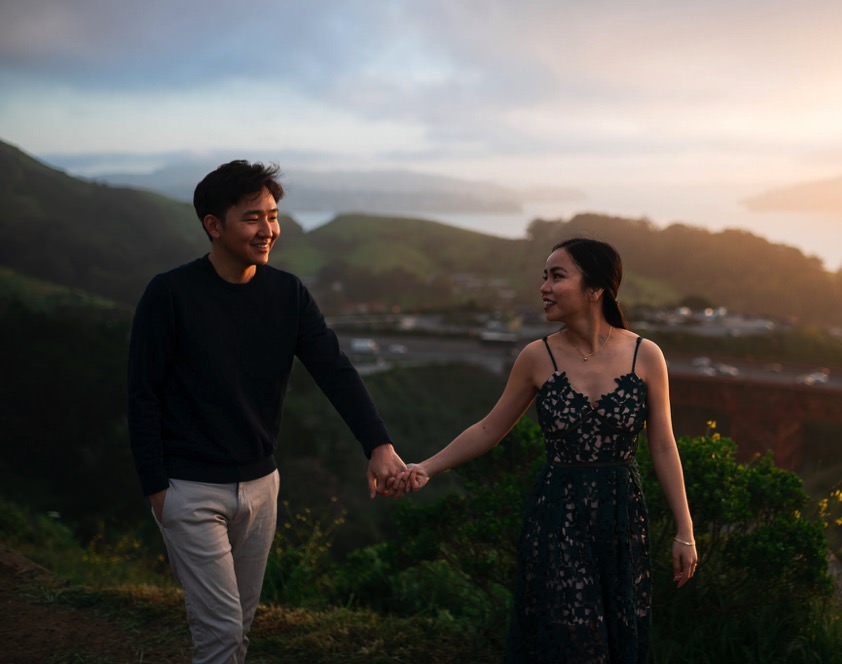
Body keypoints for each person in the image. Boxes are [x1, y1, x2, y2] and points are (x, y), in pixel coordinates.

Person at [127, 160, 412, 664]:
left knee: (239, 628)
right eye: (252, 218)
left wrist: (379, 445)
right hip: (190, 489)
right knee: (219, 636)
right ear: (213, 225)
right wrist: (158, 490)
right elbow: (142, 394)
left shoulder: (288, 294)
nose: (268, 230)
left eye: (273, 215)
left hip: (262, 485)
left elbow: (335, 371)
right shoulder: (170, 294)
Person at [390, 238, 698, 662]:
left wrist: (685, 530)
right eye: (544, 276)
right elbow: (488, 429)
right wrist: (427, 467)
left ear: (596, 289)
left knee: (619, 635)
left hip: (621, 516)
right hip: (557, 516)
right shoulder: (537, 356)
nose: (544, 287)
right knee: (572, 638)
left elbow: (663, 445)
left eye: (557, 276)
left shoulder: (646, 356)